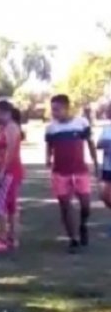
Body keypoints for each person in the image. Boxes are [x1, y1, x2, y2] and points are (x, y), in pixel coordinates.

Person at [46, 94, 98, 253]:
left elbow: (90, 143)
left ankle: (82, 225)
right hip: (60, 172)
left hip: (80, 170)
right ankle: (73, 239)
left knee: (86, 205)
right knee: (65, 205)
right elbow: (49, 145)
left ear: (67, 108)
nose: (54, 113)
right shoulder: (51, 128)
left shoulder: (81, 123)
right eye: (52, 109)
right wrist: (48, 159)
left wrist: (96, 163)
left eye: (57, 109)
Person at [0, 102, 24, 252]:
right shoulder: (4, 128)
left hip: (10, 171)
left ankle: (3, 238)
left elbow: (10, 152)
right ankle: (12, 238)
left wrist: (2, 171)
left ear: (6, 112)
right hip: (9, 170)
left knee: (0, 204)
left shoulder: (11, 127)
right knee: (10, 206)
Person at [97, 105, 111, 222]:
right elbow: (98, 145)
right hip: (108, 168)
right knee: (104, 197)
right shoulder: (107, 129)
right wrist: (103, 143)